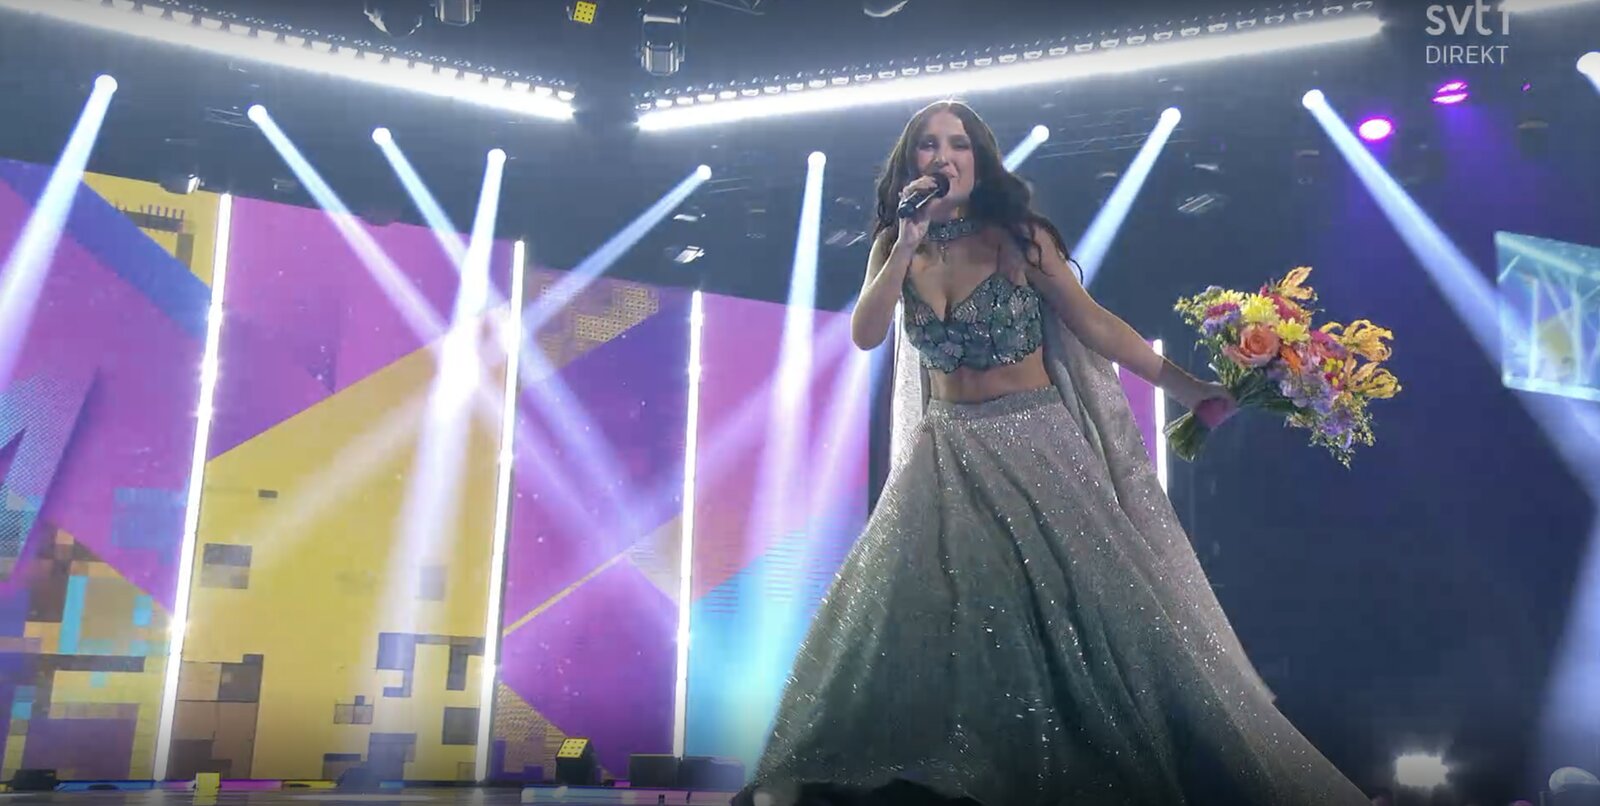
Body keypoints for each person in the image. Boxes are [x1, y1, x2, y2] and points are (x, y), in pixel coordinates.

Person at [732, 100, 1370, 806]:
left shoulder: (1019, 238)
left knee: (1084, 619)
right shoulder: (894, 244)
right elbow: (865, 334)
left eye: (959, 145)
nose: (943, 157)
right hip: (944, 450)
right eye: (929, 146)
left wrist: (1190, 389)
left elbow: (1095, 324)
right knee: (908, 618)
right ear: (911, 163)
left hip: (1035, 442)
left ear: (979, 160)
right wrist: (907, 242)